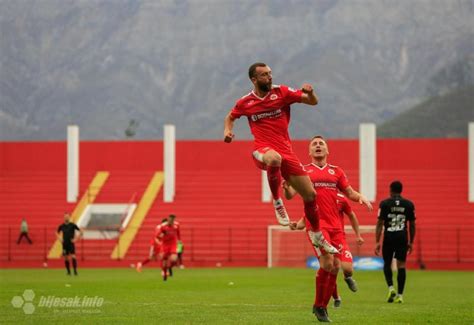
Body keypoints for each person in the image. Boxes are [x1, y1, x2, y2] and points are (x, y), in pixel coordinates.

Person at [223, 62, 337, 254]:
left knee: (311, 196)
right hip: (263, 151)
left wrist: (310, 93)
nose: (270, 77)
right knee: (274, 158)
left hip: (287, 152)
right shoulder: (245, 102)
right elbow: (230, 117)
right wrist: (228, 131)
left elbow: (312, 102)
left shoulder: (282, 92)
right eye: (264, 75)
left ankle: (317, 236)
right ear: (254, 79)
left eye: (270, 73)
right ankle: (277, 202)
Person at [285, 135, 372, 322]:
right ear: (309, 152)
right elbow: (291, 194)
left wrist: (360, 197)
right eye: (314, 144)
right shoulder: (303, 171)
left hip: (336, 229)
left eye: (321, 144)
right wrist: (286, 187)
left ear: (327, 150)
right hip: (317, 226)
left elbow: (349, 192)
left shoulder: (336, 171)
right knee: (327, 263)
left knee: (336, 267)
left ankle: (321, 306)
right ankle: (319, 306)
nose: (318, 146)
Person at [375, 181, 416, 304]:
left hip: (389, 236)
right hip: (402, 237)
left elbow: (380, 223)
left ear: (390, 190)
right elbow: (412, 224)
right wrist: (411, 242)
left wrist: (377, 241)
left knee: (387, 263)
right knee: (401, 265)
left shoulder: (385, 204)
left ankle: (391, 288)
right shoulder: (409, 204)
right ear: (401, 190)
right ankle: (400, 295)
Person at [331, 193, 364, 308]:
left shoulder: (341, 199)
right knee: (331, 270)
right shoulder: (319, 197)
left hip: (339, 238)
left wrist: (358, 235)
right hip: (325, 239)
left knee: (348, 269)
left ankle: (347, 277)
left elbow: (352, 215)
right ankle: (336, 297)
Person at [156, 214, 181, 281]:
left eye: (173, 219)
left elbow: (178, 233)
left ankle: (169, 267)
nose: (171, 221)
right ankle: (164, 273)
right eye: (170, 219)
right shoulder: (163, 226)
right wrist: (161, 235)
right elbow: (157, 235)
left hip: (173, 244)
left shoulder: (176, 225)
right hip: (165, 245)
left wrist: (179, 240)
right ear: (168, 219)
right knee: (164, 263)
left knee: (174, 259)